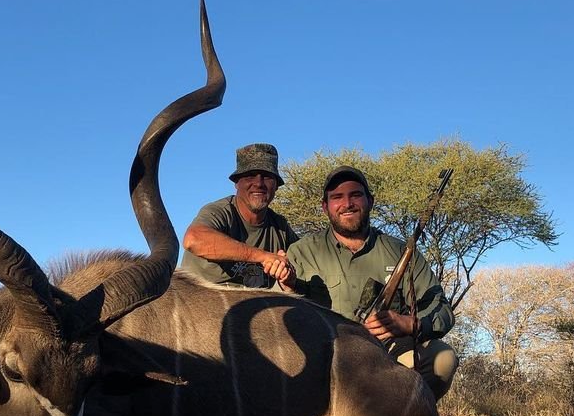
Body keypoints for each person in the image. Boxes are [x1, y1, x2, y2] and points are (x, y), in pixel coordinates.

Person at [279, 165, 458, 400]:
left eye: (355, 195)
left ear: (370, 201)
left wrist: (409, 324)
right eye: (337, 197)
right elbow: (279, 316)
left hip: (386, 359)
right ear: (325, 207)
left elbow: (442, 310)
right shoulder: (302, 252)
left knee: (443, 359)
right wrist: (289, 287)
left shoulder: (400, 250)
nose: (348, 203)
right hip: (324, 361)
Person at [181, 143, 298, 288]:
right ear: (237, 183)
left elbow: (303, 260)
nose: (258, 183)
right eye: (250, 176)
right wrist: (263, 256)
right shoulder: (220, 211)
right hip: (202, 304)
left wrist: (288, 274)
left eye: (267, 177)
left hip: (258, 305)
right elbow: (193, 239)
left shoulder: (280, 227)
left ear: (276, 185)